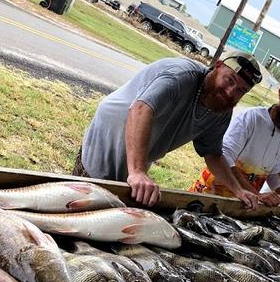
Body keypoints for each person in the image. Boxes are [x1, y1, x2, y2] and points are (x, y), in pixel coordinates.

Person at [73, 52, 263, 208]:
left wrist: (238, 190)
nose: (231, 92)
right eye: (230, 80)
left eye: (240, 90)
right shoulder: (180, 77)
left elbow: (212, 154)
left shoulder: (221, 109)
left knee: (115, 206)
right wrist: (138, 171)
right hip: (108, 139)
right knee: (80, 206)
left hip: (139, 155)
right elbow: (141, 109)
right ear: (218, 66)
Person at [189, 72, 280, 209]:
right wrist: (257, 194)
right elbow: (225, 156)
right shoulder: (252, 118)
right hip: (209, 197)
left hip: (242, 206)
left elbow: (273, 174)